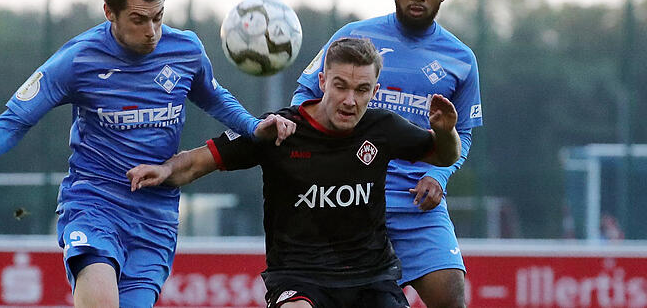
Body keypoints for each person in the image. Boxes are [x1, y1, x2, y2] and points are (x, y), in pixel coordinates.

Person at [0, 0, 295, 308]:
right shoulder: (78, 60)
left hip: (156, 214)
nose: (151, 31)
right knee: (101, 291)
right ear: (109, 13)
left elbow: (215, 99)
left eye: (159, 17)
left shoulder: (186, 50)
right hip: (94, 202)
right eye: (138, 19)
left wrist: (252, 126)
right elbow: (15, 119)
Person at [128, 38, 462, 308]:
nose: (350, 100)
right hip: (298, 278)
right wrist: (164, 169)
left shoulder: (384, 127)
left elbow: (444, 156)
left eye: (361, 90)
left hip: (370, 278)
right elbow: (200, 161)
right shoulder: (280, 130)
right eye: (340, 86)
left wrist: (446, 132)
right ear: (322, 82)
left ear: (374, 92)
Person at [291, 0, 483, 308]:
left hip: (416, 201)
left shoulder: (461, 59)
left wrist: (439, 176)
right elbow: (303, 98)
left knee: (452, 297)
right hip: (348, 194)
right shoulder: (354, 38)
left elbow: (463, 133)